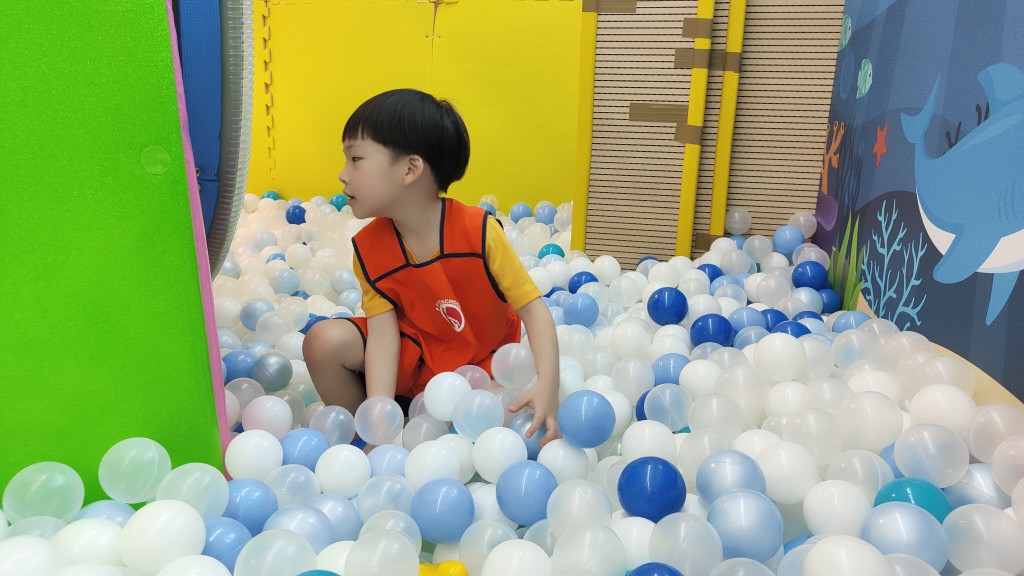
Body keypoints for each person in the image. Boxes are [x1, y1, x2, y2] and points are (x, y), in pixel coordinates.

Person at [303, 88, 560, 446]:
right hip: (414, 365)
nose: (343, 174)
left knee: (497, 420)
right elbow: (383, 337)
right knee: (322, 341)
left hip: (479, 368)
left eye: (356, 159)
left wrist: (548, 385)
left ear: (410, 169)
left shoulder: (478, 233)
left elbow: (533, 309)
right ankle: (361, 434)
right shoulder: (369, 249)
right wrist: (380, 421)